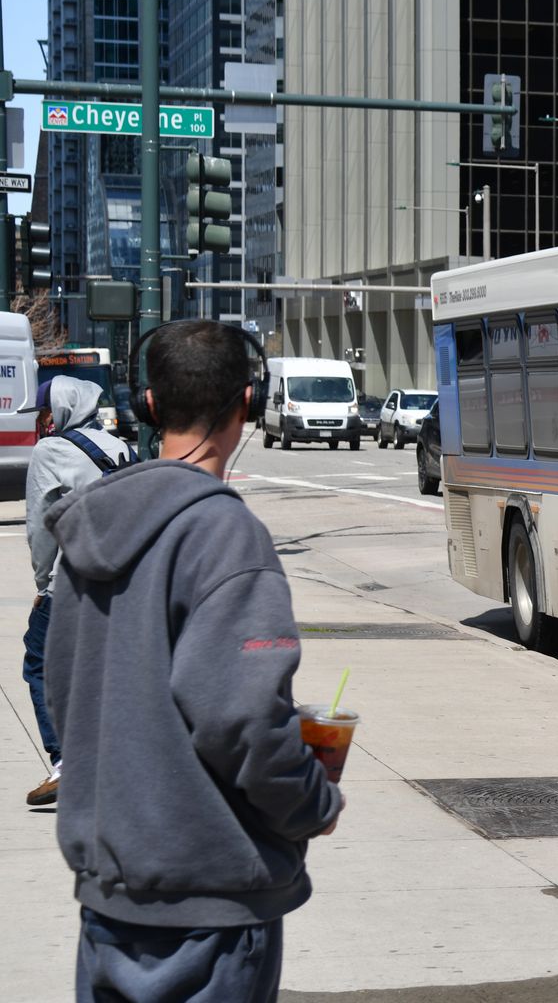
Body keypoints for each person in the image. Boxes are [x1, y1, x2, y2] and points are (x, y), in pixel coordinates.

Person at [43, 321, 342, 1001]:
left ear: (147, 405)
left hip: (112, 899)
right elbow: (241, 717)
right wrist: (311, 803)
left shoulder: (89, 526)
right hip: (210, 902)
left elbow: (65, 693)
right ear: (247, 403)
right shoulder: (225, 533)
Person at [19, 376, 133, 806]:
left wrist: (42, 584)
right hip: (121, 578)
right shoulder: (118, 446)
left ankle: (68, 761)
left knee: (39, 663)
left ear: (63, 408)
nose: (43, 421)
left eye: (46, 412)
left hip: (73, 580)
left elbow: (41, 526)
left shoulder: (50, 450)